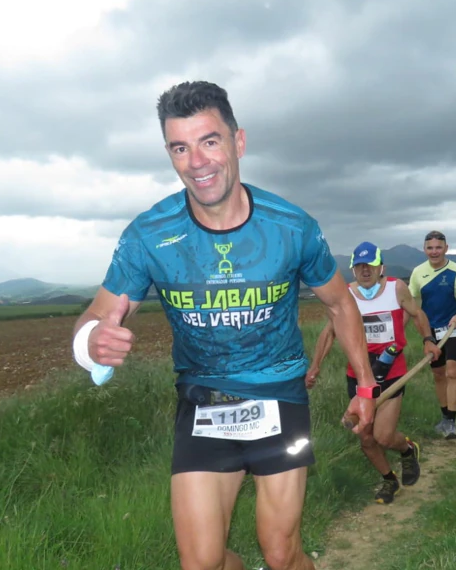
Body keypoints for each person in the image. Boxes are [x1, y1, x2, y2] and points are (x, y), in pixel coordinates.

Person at [71, 81, 378, 570]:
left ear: (238, 143)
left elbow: (341, 305)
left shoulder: (291, 226)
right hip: (203, 399)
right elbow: (96, 314)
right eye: (180, 147)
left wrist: (364, 386)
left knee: (280, 553)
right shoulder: (149, 235)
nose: (197, 162)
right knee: (201, 563)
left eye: (209, 141)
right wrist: (91, 342)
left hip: (279, 395)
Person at [306, 242, 441, 503]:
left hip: (392, 370)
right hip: (357, 373)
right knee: (366, 438)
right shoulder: (344, 296)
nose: (365, 270)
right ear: (353, 269)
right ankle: (390, 480)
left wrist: (428, 339)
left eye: (370, 265)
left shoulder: (396, 288)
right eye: (359, 266)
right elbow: (329, 332)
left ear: (382, 267)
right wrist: (316, 366)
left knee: (383, 435)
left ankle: (408, 449)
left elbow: (417, 313)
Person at [408, 230, 456, 440]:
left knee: (452, 372)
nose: (434, 252)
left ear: (446, 248)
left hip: (454, 327)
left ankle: (452, 422)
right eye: (430, 248)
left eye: (438, 247)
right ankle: (445, 417)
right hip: (430, 331)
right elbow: (409, 304)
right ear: (424, 249)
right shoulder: (418, 272)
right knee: (438, 374)